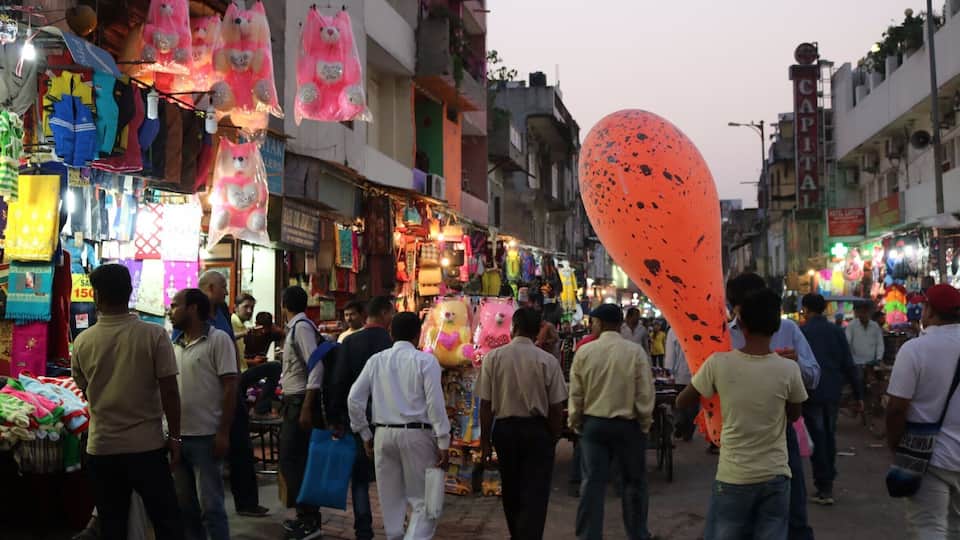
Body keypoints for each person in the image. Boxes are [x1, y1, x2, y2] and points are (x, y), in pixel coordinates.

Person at [678, 288, 808, 540]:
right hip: (776, 475)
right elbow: (794, 415)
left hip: (734, 476)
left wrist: (715, 392)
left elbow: (683, 400)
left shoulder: (718, 363)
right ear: (774, 328)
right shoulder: (789, 369)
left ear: (742, 326)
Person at [72, 264, 184, 539]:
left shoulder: (83, 342)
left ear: (96, 296)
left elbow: (86, 389)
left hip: (102, 448)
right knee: (167, 521)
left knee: (113, 525)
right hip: (146, 447)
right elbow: (170, 391)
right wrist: (176, 438)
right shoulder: (154, 335)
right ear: (130, 292)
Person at [725, 273, 819, 540]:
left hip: (780, 433)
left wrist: (796, 363)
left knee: (794, 511)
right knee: (740, 517)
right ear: (735, 308)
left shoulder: (787, 330)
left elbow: (813, 376)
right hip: (737, 436)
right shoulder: (721, 336)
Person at [347, 312, 451, 539]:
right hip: (417, 435)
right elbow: (435, 405)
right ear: (418, 334)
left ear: (391, 333)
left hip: (383, 434)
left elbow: (354, 399)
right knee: (424, 502)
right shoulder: (426, 361)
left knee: (391, 502)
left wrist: (365, 433)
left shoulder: (377, 360)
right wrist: (443, 440)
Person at [478, 307, 567, 540]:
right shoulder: (547, 361)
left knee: (511, 487)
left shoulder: (493, 358)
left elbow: (485, 405)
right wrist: (554, 434)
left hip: (505, 430)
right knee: (535, 491)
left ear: (513, 326)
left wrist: (485, 441)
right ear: (538, 330)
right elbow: (557, 407)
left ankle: (517, 534)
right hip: (536, 431)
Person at [569, 304, 655, 540]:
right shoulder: (634, 352)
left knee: (592, 485)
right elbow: (645, 394)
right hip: (628, 427)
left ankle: (589, 535)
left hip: (594, 426)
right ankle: (637, 534)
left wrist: (576, 422)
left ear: (599, 323)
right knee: (634, 484)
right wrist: (644, 424)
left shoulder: (585, 352)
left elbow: (576, 395)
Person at [886, 284, 960, 536]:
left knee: (930, 527)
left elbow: (896, 408)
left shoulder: (915, 349)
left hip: (927, 454)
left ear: (930, 310)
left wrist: (896, 447)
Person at [168, 288, 238, 540]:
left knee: (212, 507)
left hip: (207, 437)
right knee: (186, 508)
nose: (170, 311)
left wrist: (223, 432)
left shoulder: (218, 340)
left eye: (175, 305)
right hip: (178, 437)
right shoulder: (173, 344)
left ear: (193, 309)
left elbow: (230, 386)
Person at [198, 274, 268, 518]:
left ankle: (247, 502)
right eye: (224, 288)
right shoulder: (196, 312)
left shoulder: (222, 313)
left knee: (241, 444)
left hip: (231, 384)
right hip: (209, 388)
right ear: (210, 288)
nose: (226, 292)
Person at [332, 295, 397, 540]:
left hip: (356, 416)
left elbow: (339, 383)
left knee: (359, 478)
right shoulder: (391, 345)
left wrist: (337, 417)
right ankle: (396, 526)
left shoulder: (350, 343)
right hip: (389, 418)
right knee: (392, 477)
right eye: (390, 313)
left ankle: (364, 528)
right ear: (383, 314)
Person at [799, 294, 864, 505]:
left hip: (811, 393)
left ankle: (824, 485)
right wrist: (858, 394)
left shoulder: (803, 332)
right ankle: (827, 482)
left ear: (806, 310)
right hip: (832, 392)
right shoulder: (836, 331)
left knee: (818, 438)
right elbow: (848, 363)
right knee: (828, 435)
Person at [277, 286, 323, 539]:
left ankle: (309, 520)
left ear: (284, 304)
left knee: (293, 460)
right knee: (295, 460)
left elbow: (316, 366)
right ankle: (305, 517)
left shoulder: (301, 328)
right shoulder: (298, 327)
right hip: (294, 401)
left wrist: (306, 406)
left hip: (299, 403)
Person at [665, 326, 696, 441]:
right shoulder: (698, 327)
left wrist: (669, 373)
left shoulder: (673, 330)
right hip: (695, 375)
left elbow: (670, 355)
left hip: (679, 376)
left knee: (679, 404)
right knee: (692, 406)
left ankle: (680, 423)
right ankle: (688, 431)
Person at [847, 301, 885, 380]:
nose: (863, 314)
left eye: (865, 312)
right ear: (857, 313)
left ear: (869, 313)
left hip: (872, 362)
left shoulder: (875, 326)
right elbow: (847, 343)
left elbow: (880, 343)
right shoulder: (851, 326)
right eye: (861, 312)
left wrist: (879, 358)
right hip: (856, 362)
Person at [529, 292, 560, 358]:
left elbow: (556, 339)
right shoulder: (534, 327)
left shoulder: (548, 326)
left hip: (547, 356)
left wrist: (543, 342)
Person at [232, 293, 256, 368]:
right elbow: (227, 338)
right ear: (235, 308)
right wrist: (243, 333)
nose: (249, 311)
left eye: (252, 307)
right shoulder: (230, 322)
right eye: (245, 307)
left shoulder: (244, 327)